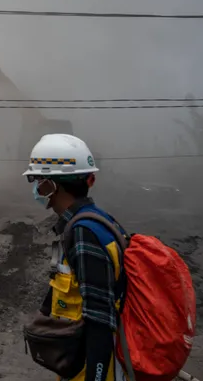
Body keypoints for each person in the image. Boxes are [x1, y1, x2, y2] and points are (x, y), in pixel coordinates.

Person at [23, 133, 127, 381]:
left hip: (95, 365)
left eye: (36, 180)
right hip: (77, 358)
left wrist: (96, 377)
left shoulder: (84, 234)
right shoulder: (82, 225)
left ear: (50, 185)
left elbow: (100, 321)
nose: (35, 188)